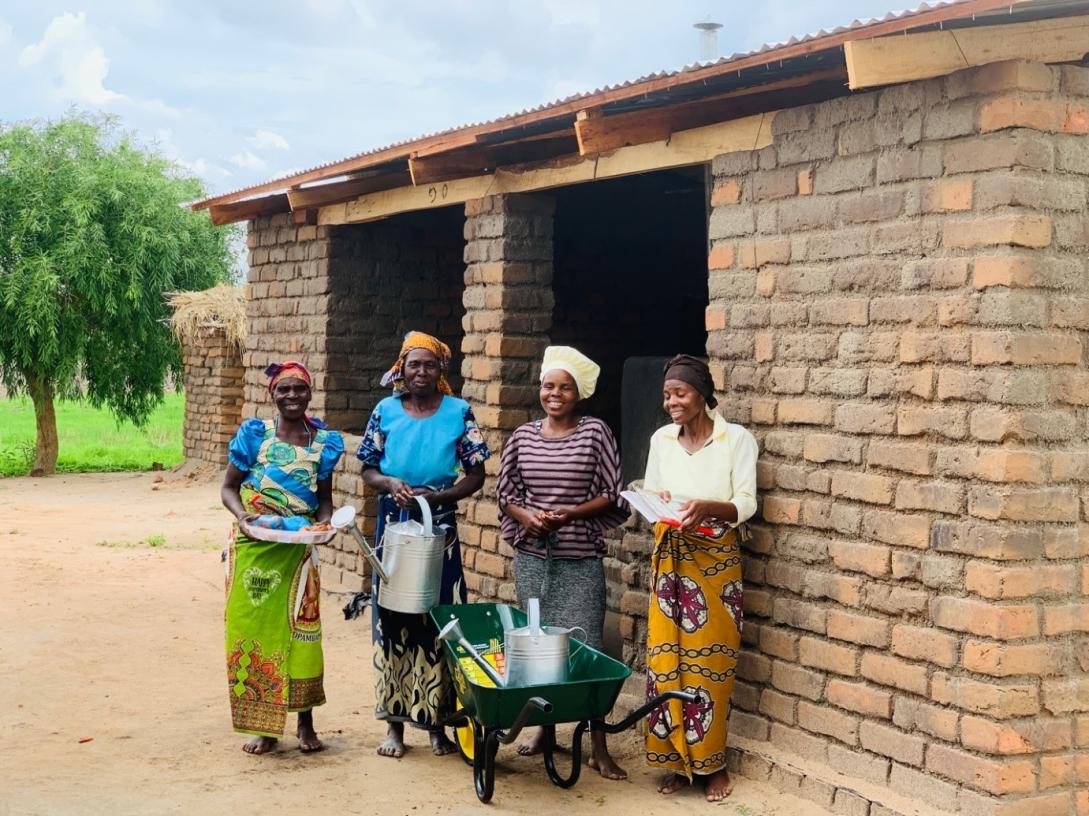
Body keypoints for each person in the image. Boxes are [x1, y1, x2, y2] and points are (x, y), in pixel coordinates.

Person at [355, 331, 490, 758]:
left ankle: (438, 726)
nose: (421, 372)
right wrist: (391, 483)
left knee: (440, 623)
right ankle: (394, 726)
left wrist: (440, 497)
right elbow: (368, 469)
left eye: (429, 365)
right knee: (393, 620)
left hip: (441, 529)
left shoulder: (458, 412)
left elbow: (476, 475)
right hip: (394, 525)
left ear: (440, 372)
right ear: (401, 369)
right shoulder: (385, 411)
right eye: (413, 365)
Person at [497, 345, 629, 780]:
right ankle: (543, 731)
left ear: (579, 393)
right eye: (549, 386)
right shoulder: (523, 437)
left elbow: (612, 492)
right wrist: (528, 519)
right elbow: (506, 494)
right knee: (539, 645)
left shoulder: (595, 433)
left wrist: (569, 514)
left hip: (578, 558)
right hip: (533, 557)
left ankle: (597, 746)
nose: (555, 394)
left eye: (565, 387)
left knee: (586, 648)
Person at [642, 354, 758, 802]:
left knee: (711, 665)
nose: (671, 402)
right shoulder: (661, 440)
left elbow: (746, 502)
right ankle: (675, 761)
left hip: (715, 563)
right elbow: (652, 490)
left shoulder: (736, 440)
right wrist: (659, 501)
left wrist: (708, 507)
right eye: (667, 395)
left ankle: (713, 766)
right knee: (665, 662)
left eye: (680, 393)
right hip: (670, 557)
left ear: (702, 396)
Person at [221, 360, 345, 755]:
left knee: (303, 633)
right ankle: (265, 727)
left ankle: (305, 723)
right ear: (271, 395)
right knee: (254, 632)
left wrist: (324, 528)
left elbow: (324, 502)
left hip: (298, 552)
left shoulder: (323, 443)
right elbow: (228, 489)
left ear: (310, 394)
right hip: (254, 546)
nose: (292, 396)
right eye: (284, 390)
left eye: (299, 389)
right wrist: (242, 517)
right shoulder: (255, 437)